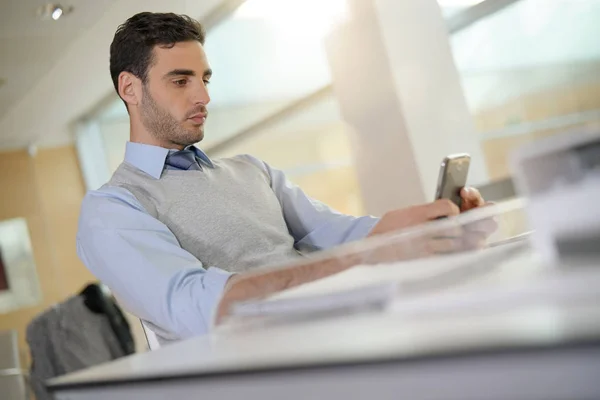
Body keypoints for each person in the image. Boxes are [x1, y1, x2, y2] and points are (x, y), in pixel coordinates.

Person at [77, 12, 490, 345]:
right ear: (130, 88)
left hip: (344, 341)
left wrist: (434, 225)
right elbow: (203, 309)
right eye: (181, 80)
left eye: (205, 79)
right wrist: (374, 254)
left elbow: (344, 236)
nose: (203, 96)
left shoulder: (251, 171)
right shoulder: (114, 208)